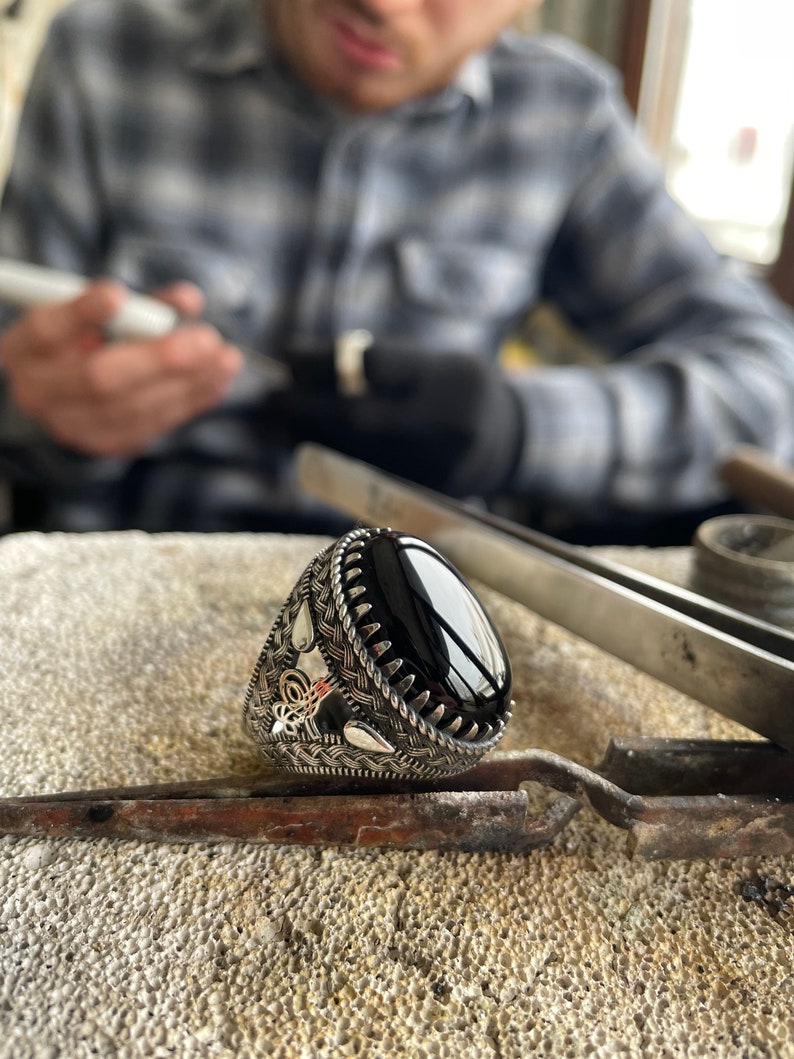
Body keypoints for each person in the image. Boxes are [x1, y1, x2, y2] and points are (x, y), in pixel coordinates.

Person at [1, 0, 793, 540]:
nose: (382, 3)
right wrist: (47, 414)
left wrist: (518, 428)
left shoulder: (564, 116)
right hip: (123, 583)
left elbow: (767, 382)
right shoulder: (101, 55)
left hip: (425, 616)